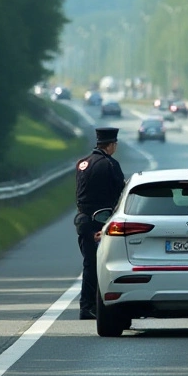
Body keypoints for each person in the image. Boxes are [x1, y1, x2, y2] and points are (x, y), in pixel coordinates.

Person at [74, 127, 126, 319]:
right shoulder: (110, 165)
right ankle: (94, 306)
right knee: (101, 265)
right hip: (101, 222)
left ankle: (87, 306)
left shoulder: (83, 163)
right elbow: (119, 197)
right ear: (111, 145)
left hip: (83, 220)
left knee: (89, 264)